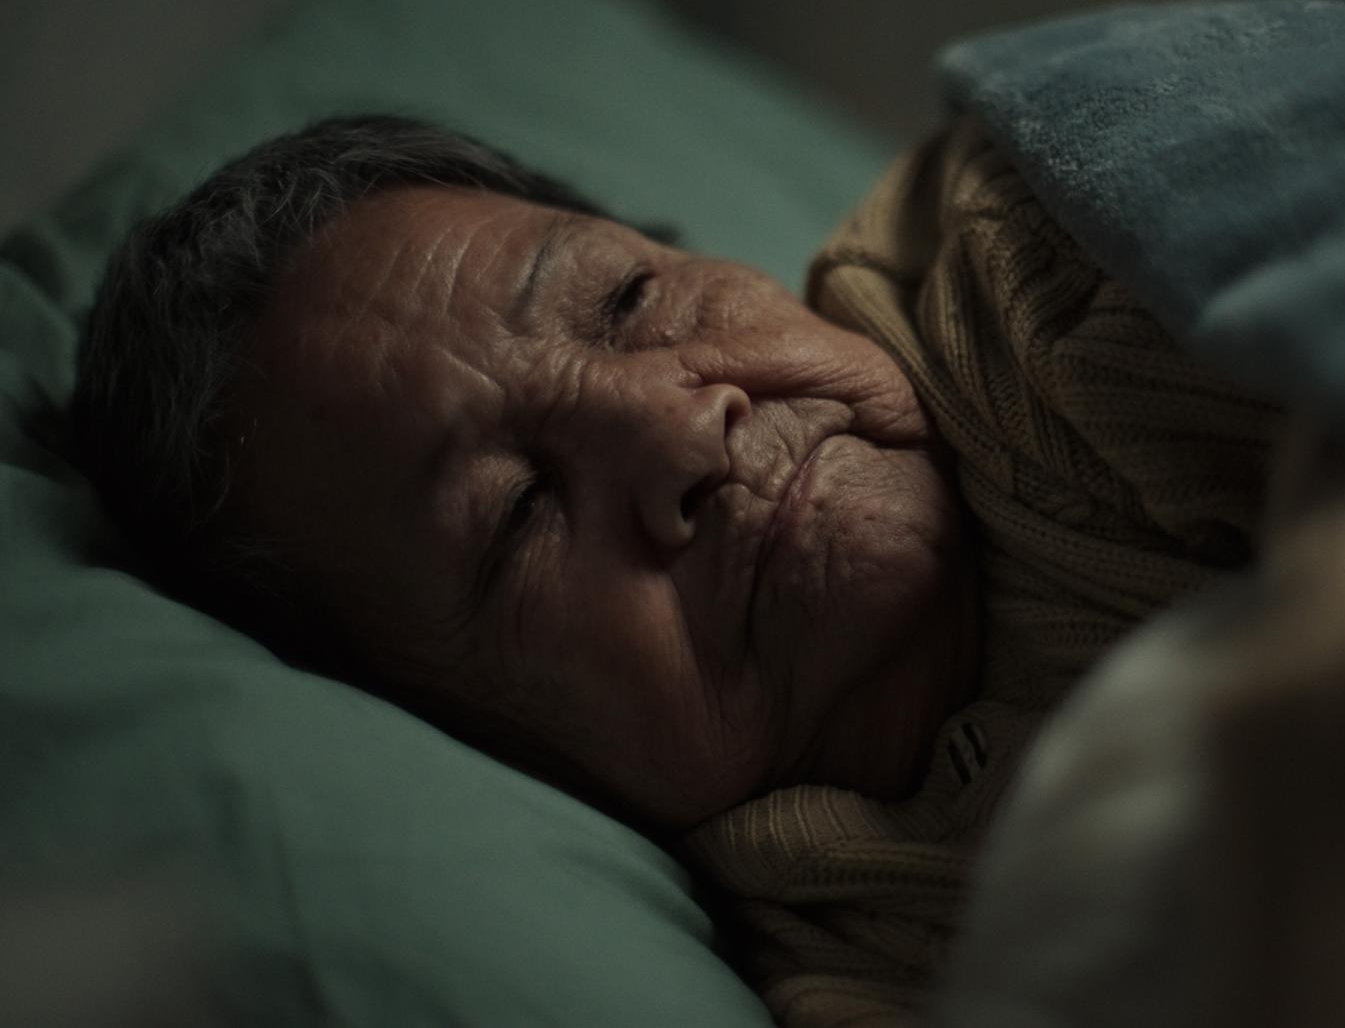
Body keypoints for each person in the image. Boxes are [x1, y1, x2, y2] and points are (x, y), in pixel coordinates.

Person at [72, 114, 1282, 1025]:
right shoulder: (852, 979)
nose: (681, 428)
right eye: (519, 515)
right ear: (481, 747)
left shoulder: (1069, 273)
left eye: (629, 301)